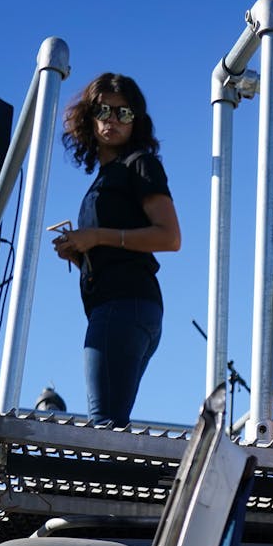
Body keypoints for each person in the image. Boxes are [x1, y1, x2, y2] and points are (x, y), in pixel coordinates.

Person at [54, 72, 180, 427]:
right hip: (125, 307)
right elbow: (118, 254)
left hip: (124, 307)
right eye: (104, 111)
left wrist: (96, 237)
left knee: (105, 425)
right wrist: (80, 253)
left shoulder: (139, 164)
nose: (112, 120)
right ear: (89, 116)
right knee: (110, 420)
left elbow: (170, 237)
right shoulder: (107, 177)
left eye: (124, 113)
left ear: (136, 121)